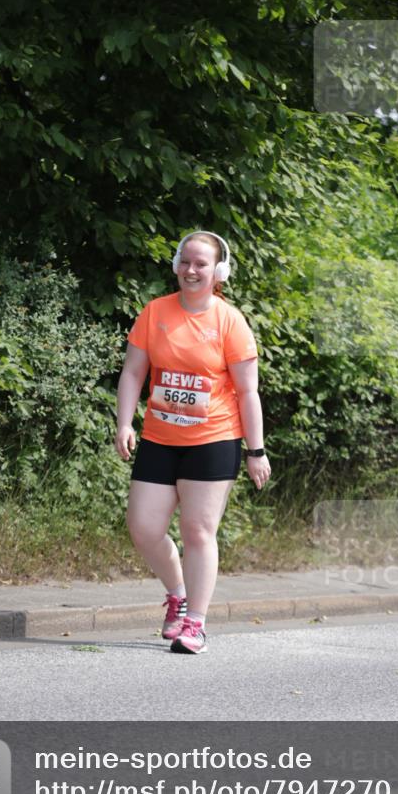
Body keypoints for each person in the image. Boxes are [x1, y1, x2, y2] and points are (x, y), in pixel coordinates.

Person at [114, 231, 271, 654]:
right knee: (144, 528)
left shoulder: (229, 321)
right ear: (176, 265)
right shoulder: (155, 312)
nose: (191, 270)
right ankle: (177, 595)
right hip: (159, 438)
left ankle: (196, 624)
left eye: (201, 263)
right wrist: (125, 423)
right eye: (186, 261)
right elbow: (133, 373)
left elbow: (247, 392)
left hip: (213, 439)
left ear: (218, 271)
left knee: (198, 530)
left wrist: (255, 450)